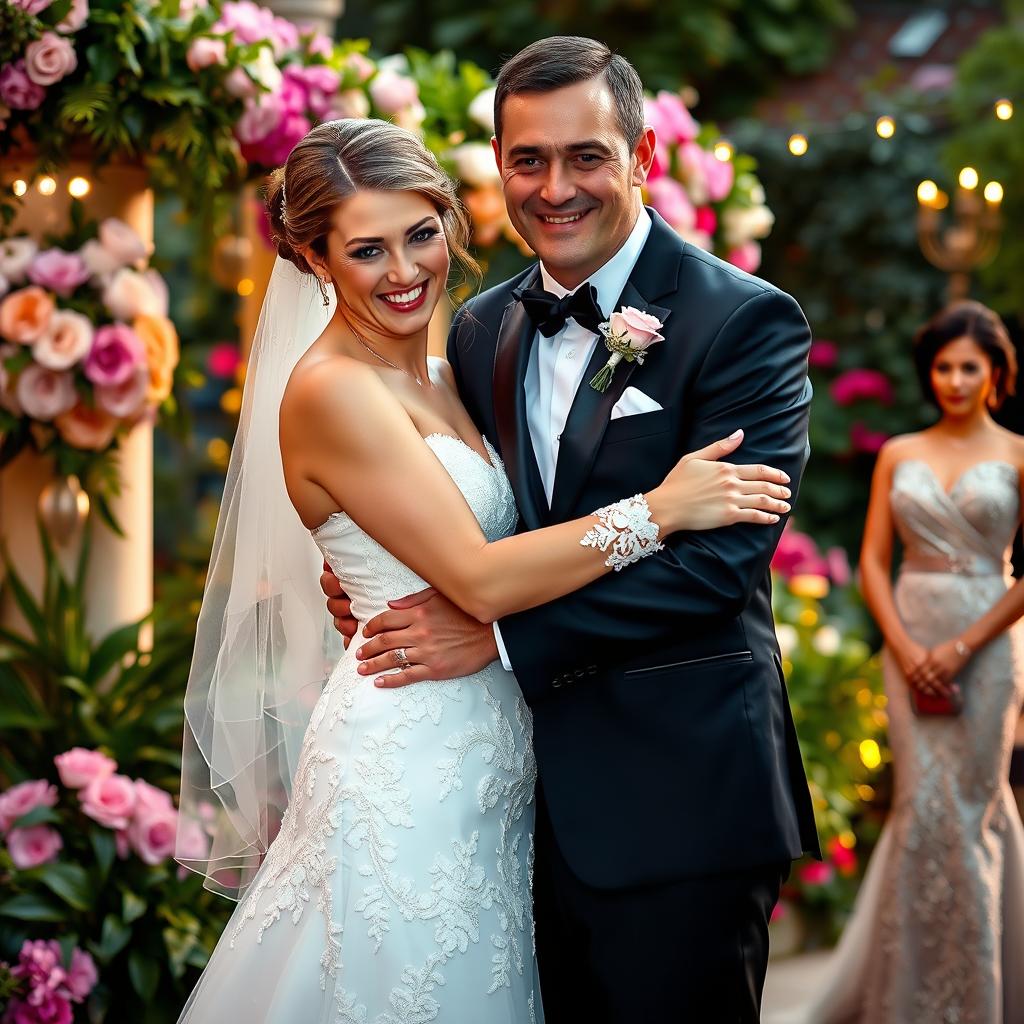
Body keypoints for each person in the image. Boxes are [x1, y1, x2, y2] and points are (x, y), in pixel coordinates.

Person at [174, 117, 794, 1023]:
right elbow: (479, 576)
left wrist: (372, 577)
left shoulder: (455, 353)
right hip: (407, 762)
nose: (403, 272)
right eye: (366, 250)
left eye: (420, 234)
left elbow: (485, 533)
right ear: (312, 258)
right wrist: (661, 508)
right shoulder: (335, 388)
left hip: (533, 773)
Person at [321, 36, 820, 1023]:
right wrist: (376, 579)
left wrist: (498, 637)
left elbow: (715, 567)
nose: (555, 187)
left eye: (585, 156)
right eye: (527, 159)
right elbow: (453, 502)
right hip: (503, 815)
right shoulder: (480, 328)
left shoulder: (743, 321)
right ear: (499, 164)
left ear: (640, 157)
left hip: (676, 806)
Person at [773, 300, 1024, 1023]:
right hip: (909, 643)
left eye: (968, 366)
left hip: (989, 649)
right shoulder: (900, 453)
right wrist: (909, 649)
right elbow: (875, 564)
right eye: (943, 366)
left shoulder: (1016, 454)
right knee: (922, 809)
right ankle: (908, 998)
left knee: (972, 810)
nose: (953, 379)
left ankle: (978, 1001)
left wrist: (962, 646)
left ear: (995, 372)